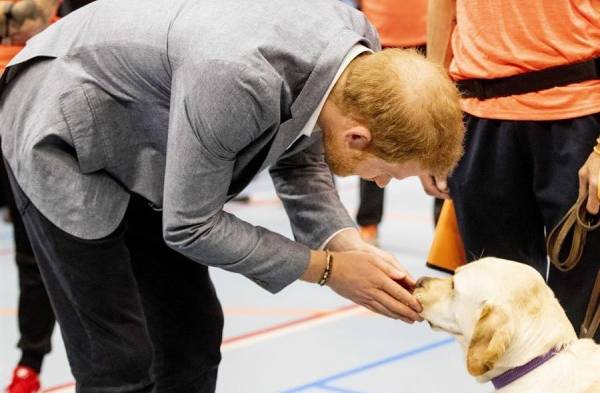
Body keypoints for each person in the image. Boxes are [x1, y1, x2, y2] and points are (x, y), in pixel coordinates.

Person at [0, 0, 464, 391]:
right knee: (116, 357)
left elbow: (299, 151)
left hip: (146, 128)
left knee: (192, 332)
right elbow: (190, 225)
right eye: (386, 174)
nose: (380, 185)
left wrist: (344, 243)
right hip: (61, 125)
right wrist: (326, 270)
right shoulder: (238, 77)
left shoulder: (361, 61)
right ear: (358, 139)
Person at [427, 0, 600, 341]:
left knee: (586, 324)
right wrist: (432, 117)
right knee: (497, 320)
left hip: (580, 114)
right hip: (479, 116)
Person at [1, 1, 60, 392]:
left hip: (36, 110)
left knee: (36, 255)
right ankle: (30, 363)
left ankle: (30, 363)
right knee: (31, 257)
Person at [353, 0, 429, 245]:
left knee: (437, 136)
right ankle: (368, 222)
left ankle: (447, 230)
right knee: (371, 138)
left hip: (427, 41)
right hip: (378, 43)